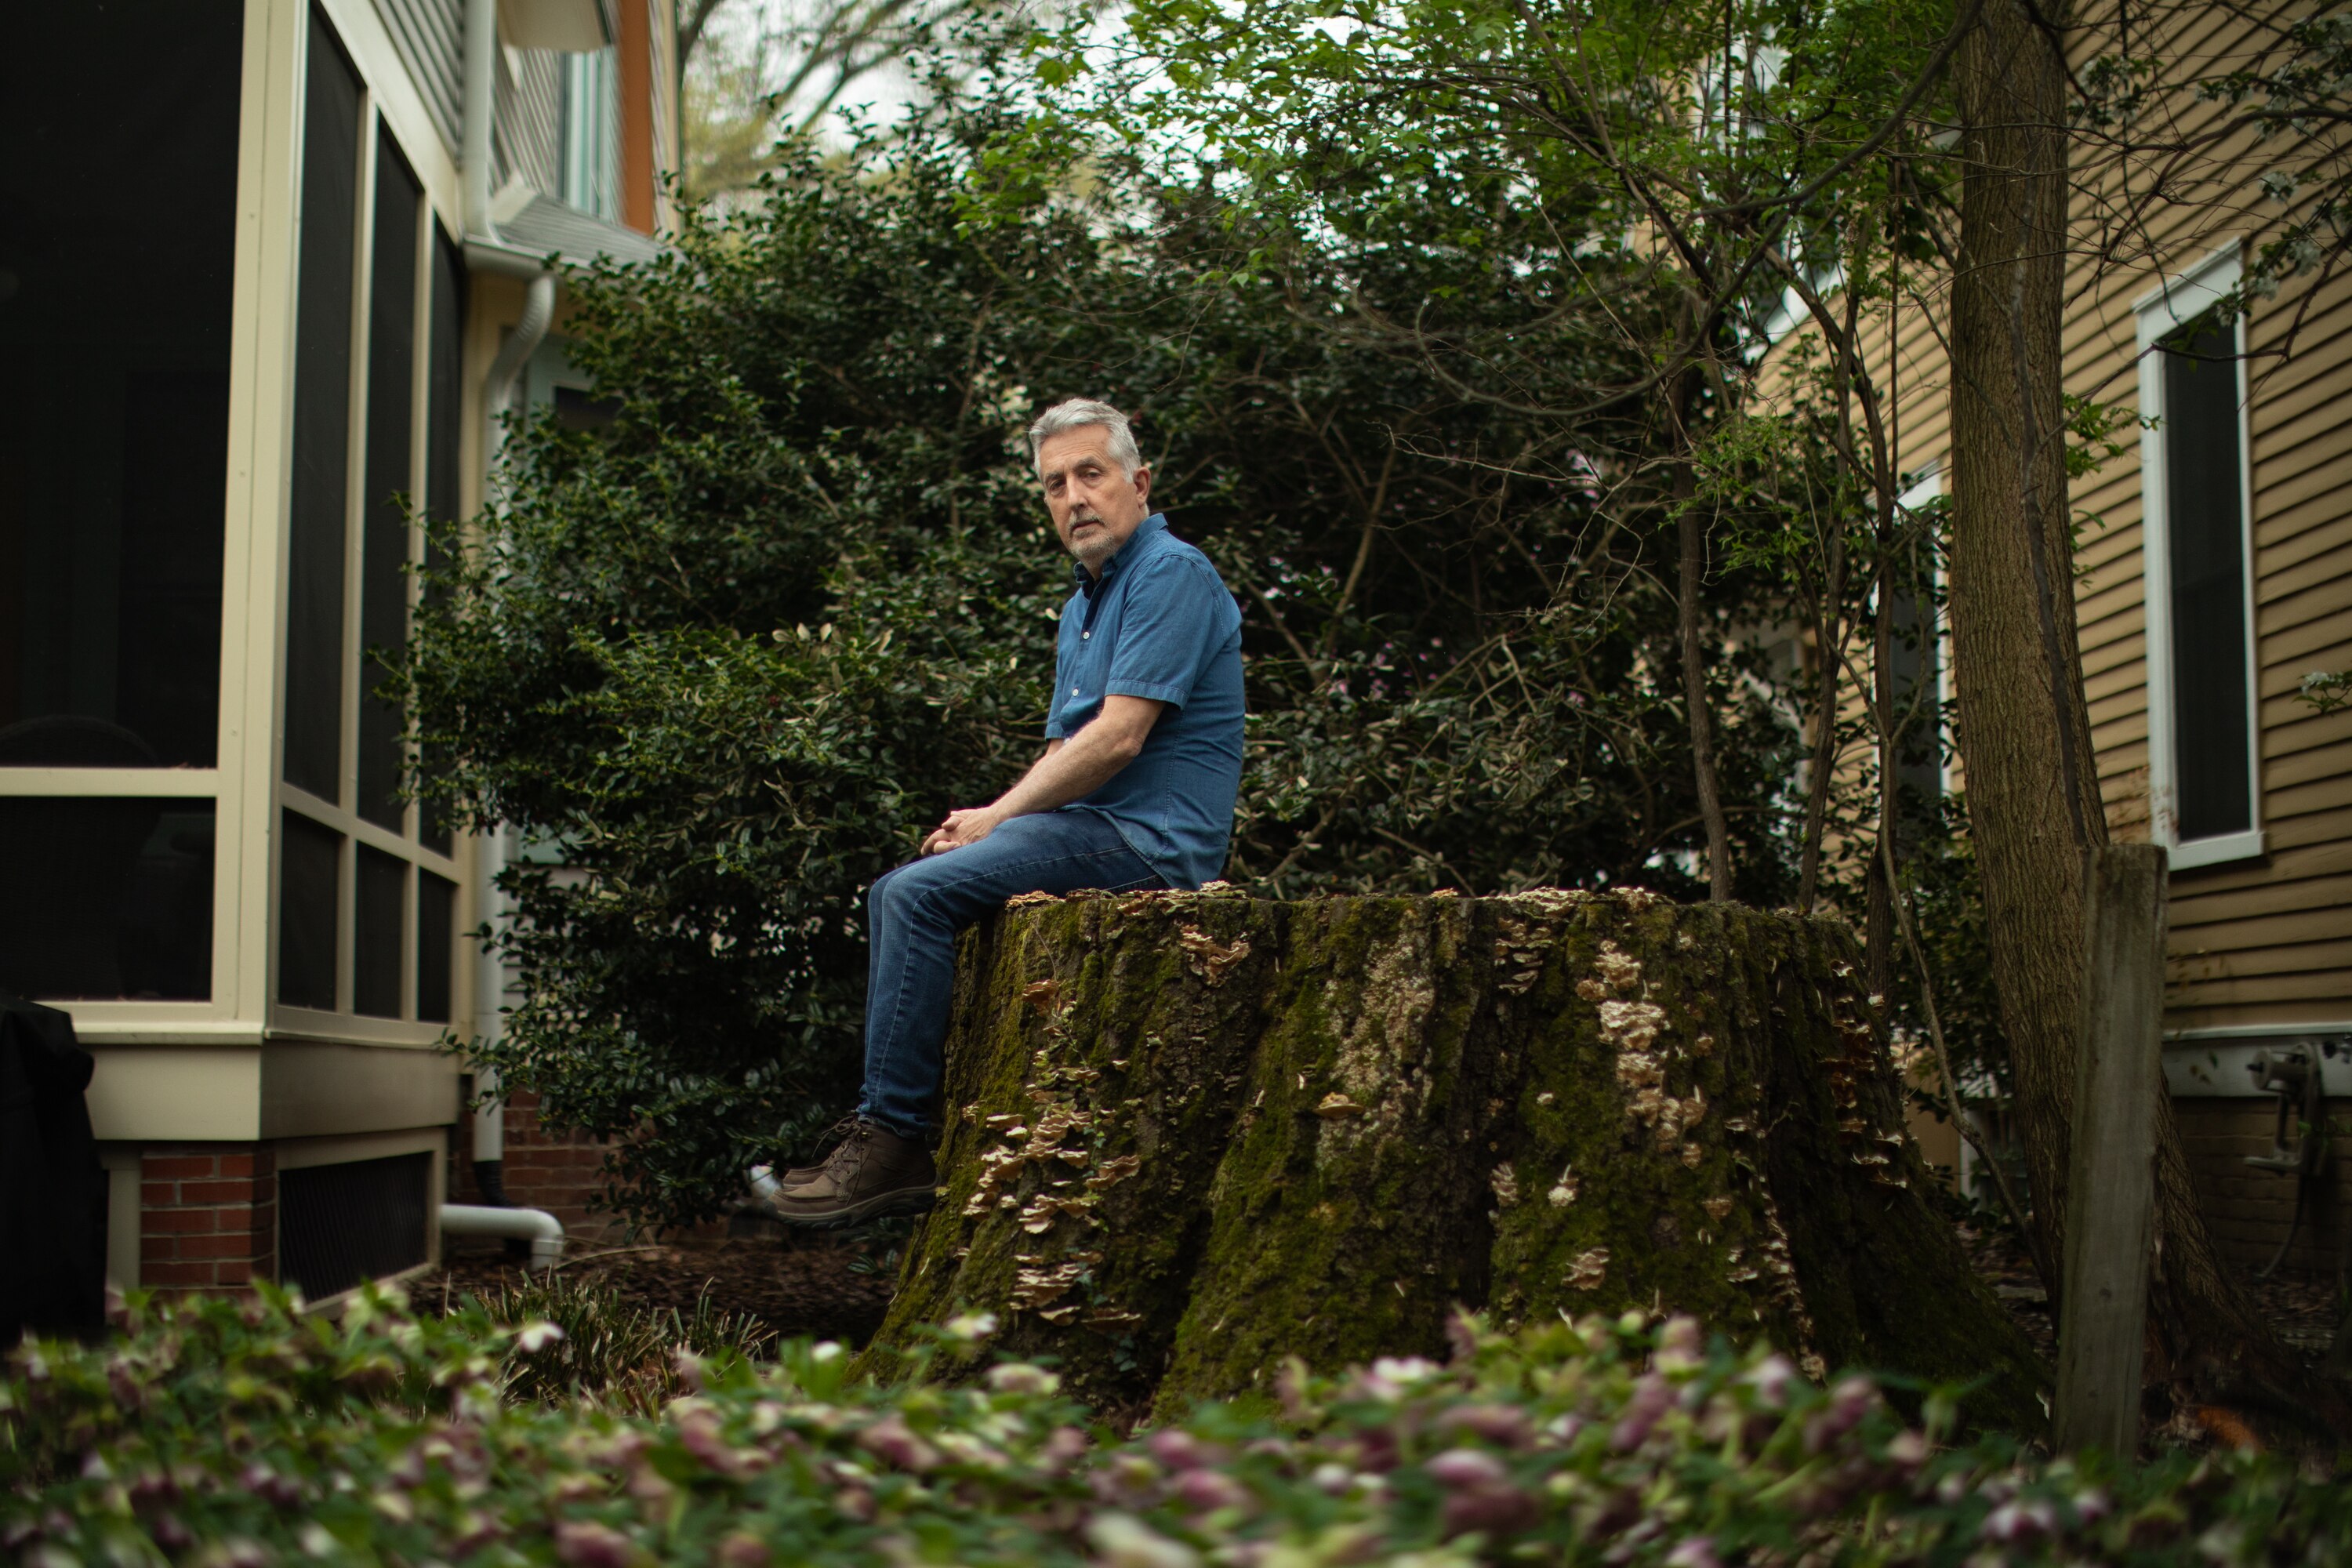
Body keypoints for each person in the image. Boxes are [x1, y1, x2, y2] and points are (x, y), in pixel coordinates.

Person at [761, 398, 1245, 1226]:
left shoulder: (1171, 573)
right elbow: (1067, 747)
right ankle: (891, 1132)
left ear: (1140, 481)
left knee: (912, 895)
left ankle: (894, 1143)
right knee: (907, 882)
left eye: (1091, 473)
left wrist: (999, 820)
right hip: (1093, 827)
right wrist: (989, 813)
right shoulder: (1086, 601)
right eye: (1055, 483)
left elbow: (1120, 738)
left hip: (1153, 841)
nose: (1074, 497)